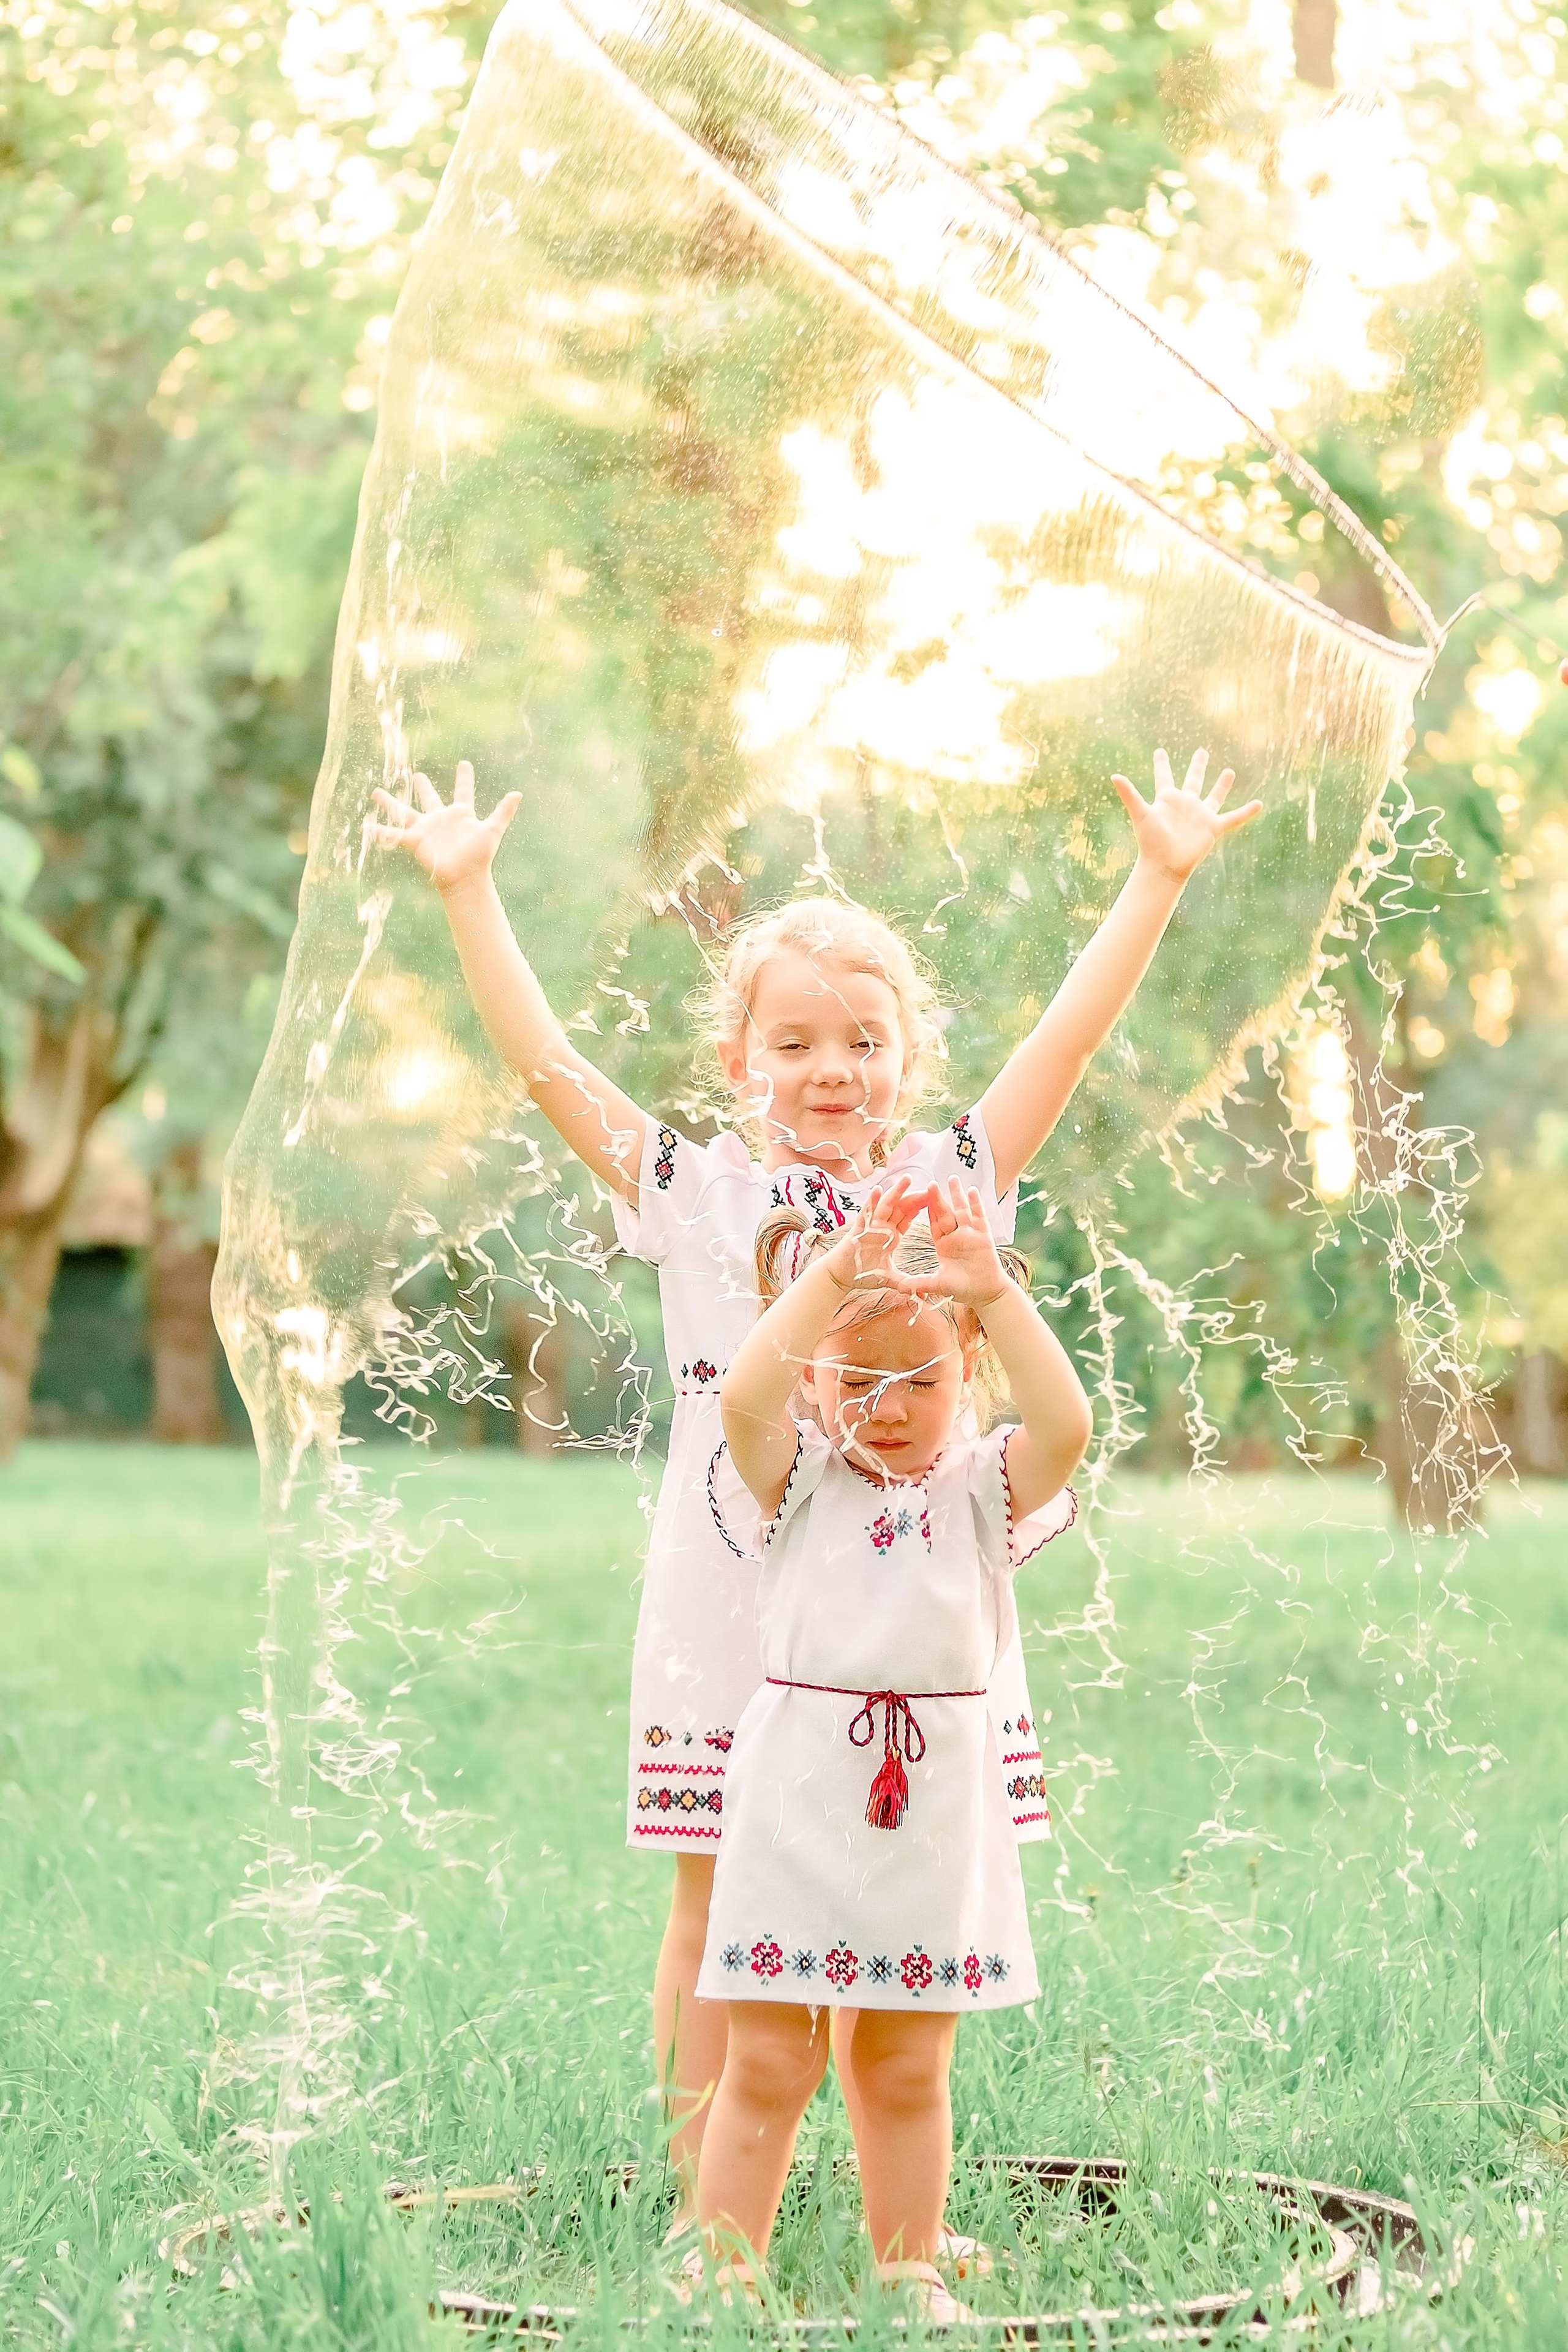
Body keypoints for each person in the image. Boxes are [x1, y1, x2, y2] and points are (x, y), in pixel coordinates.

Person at [369, 746, 1261, 2210]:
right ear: (738, 1064)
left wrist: (1153, 879)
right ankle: (700, 2194)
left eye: (860, 1039)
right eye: (789, 1044)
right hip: (734, 1577)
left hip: (913, 1583)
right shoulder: (692, 1191)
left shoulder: (946, 1185)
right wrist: (468, 893)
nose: (828, 1069)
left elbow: (1063, 1048)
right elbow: (542, 1064)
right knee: (713, 1883)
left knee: (901, 1871)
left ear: (904, 1057)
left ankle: (891, 2193)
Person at [693, 1175, 1091, 2315]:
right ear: (816, 1384)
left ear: (966, 1377)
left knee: (906, 2063)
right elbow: (741, 1400)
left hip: (933, 1811)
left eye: (923, 1377)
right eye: (856, 1379)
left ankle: (909, 2268)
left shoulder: (983, 1492)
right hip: (797, 1798)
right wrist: (834, 1275)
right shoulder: (799, 1483)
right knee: (768, 2055)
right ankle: (725, 2274)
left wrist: (990, 1290)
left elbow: (1069, 1425)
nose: (891, 1403)